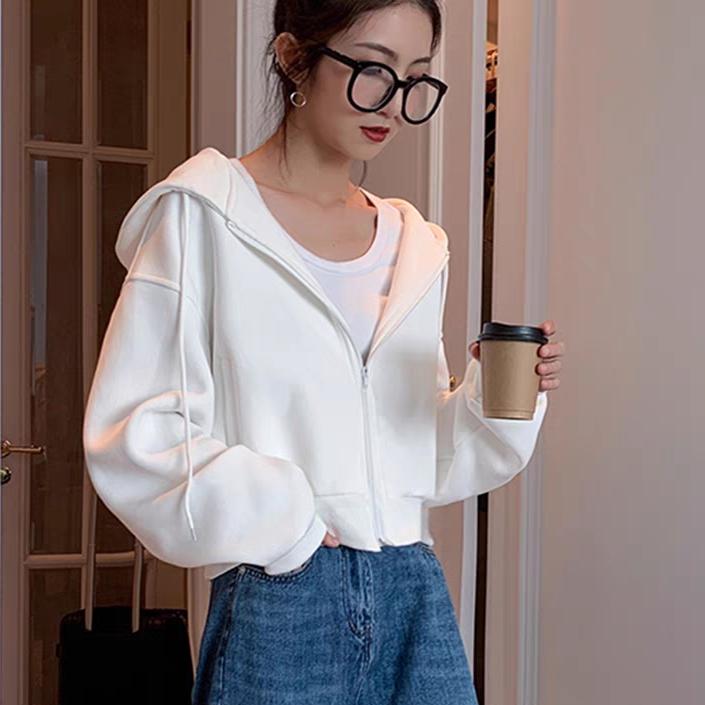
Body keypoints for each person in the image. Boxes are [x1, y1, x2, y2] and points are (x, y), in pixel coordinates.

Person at [82, 1, 563, 703]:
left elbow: (412, 451)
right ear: (291, 57)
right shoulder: (203, 215)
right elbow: (135, 432)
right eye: (373, 69)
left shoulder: (414, 243)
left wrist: (493, 400)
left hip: (411, 588)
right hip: (282, 592)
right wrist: (288, 522)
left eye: (415, 78)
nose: (393, 103)